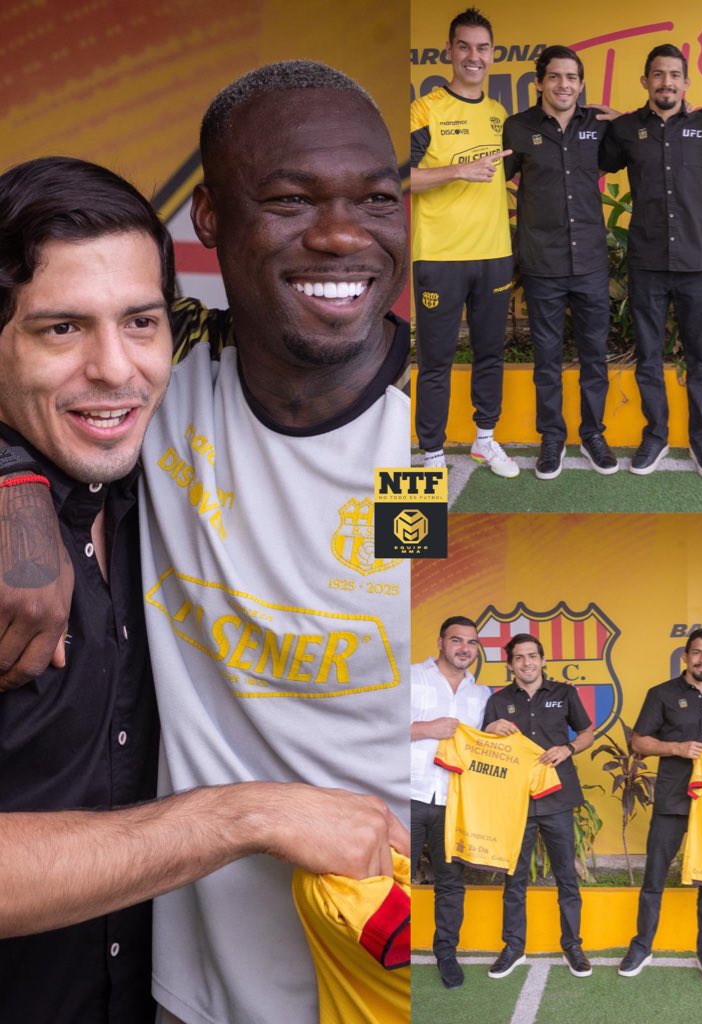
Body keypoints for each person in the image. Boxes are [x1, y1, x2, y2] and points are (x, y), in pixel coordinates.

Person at [0, 60, 411, 1024]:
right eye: (290, 199)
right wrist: (14, 484)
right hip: (186, 994)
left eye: (375, 198)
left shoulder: (430, 451)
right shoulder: (174, 372)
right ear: (213, 222)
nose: (341, 233)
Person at [599, 45, 702, 479]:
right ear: (646, 81)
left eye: (674, 75)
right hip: (647, 261)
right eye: (658, 74)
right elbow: (591, 159)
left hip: (695, 261)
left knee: (700, 356)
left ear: (686, 83)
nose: (666, 82)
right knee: (649, 355)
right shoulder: (626, 129)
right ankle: (656, 435)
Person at [410, 6, 519, 478]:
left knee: (490, 353)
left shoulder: (499, 114)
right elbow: (398, 177)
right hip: (440, 256)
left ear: (492, 55)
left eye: (482, 48)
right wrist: (458, 170)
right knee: (436, 360)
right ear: (449, 51)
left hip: (494, 254)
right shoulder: (425, 108)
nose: (474, 56)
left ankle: (484, 440)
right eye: (465, 46)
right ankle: (431, 452)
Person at [503, 45, 617, 480]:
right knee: (547, 360)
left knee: (594, 356)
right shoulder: (517, 128)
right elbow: (492, 178)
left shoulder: (599, 126)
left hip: (590, 262)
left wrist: (624, 118)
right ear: (539, 83)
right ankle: (552, 437)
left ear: (581, 83)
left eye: (571, 77)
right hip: (542, 263)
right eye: (554, 76)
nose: (563, 85)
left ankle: (593, 434)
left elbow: (642, 140)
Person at [619, 628, 702, 984]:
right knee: (654, 877)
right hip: (671, 799)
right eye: (697, 653)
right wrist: (676, 748)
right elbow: (639, 742)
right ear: (685, 656)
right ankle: (642, 946)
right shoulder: (661, 693)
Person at [482, 632, 595, 978]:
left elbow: (587, 733)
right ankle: (513, 947)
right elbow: (483, 746)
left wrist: (568, 749)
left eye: (532, 656)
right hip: (515, 801)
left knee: (566, 877)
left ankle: (572, 945)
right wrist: (489, 729)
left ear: (543, 660)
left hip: (557, 798)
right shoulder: (498, 700)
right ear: (510, 664)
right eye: (519, 657)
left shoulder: (564, 693)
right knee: (514, 878)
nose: (526, 663)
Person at [410, 615, 489, 988]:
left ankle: (446, 953)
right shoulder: (412, 677)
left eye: (472, 642)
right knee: (393, 879)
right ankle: (383, 953)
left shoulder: (481, 694)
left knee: (451, 883)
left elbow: (483, 746)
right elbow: (375, 726)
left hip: (454, 800)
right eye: (457, 640)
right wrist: (425, 729)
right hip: (408, 793)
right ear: (441, 642)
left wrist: (494, 733)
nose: (464, 648)